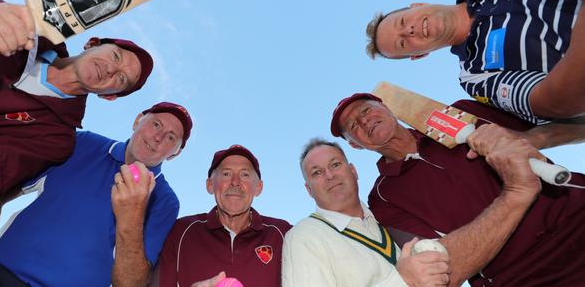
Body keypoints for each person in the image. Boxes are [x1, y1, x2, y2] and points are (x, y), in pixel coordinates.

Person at [0, 0, 154, 207]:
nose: (111, 69)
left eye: (121, 79)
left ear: (109, 96)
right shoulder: (18, 26)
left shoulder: (54, 139)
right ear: (92, 43)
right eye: (116, 56)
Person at [330, 93, 585, 286]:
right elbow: (438, 269)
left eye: (365, 110)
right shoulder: (383, 199)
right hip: (524, 274)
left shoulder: (457, 114)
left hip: (576, 213)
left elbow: (566, 127)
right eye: (353, 127)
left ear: (386, 107)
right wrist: (516, 193)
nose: (364, 121)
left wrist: (527, 140)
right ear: (356, 145)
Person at [0, 101, 193, 287]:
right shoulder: (81, 143)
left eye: (171, 137)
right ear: (138, 120)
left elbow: (131, 284)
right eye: (156, 124)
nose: (159, 137)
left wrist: (131, 217)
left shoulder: (165, 201)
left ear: (175, 153)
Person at [363, 0, 585, 124]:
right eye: (403, 43)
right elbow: (554, 104)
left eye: (402, 21)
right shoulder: (475, 75)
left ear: (418, 4)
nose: (408, 30)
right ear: (420, 55)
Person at [283, 138, 450, 287]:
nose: (329, 175)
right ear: (309, 190)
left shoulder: (389, 217)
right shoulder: (304, 237)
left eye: (335, 164)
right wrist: (402, 281)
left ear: (354, 171)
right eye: (316, 172)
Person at [155, 145, 292, 287]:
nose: (235, 182)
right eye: (226, 174)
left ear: (258, 187)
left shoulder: (283, 233)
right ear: (210, 185)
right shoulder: (180, 232)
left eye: (245, 174)